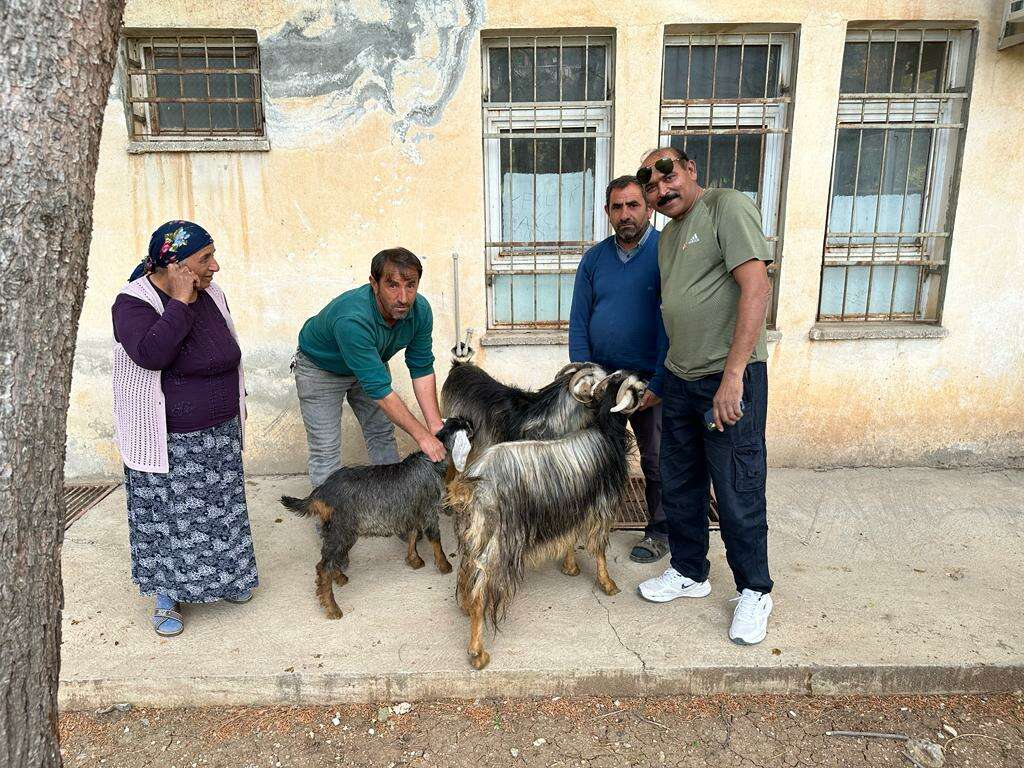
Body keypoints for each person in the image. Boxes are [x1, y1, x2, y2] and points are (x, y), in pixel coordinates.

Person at [634, 147, 775, 646]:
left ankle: (755, 590)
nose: (660, 187)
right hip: (681, 381)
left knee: (736, 490)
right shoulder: (668, 237)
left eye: (667, 173)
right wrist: (660, 385)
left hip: (726, 380)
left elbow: (756, 288)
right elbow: (676, 312)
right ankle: (691, 573)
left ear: (691, 170)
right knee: (680, 485)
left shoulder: (725, 206)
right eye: (649, 184)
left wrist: (734, 375)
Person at [112, 220, 259, 637]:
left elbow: (227, 351)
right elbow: (152, 354)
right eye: (205, 258)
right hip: (167, 439)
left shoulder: (212, 293)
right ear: (175, 265)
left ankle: (224, 579)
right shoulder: (132, 302)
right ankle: (166, 596)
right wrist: (178, 301)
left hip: (219, 431)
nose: (215, 267)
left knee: (220, 511)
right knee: (169, 520)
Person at [568, 175, 670, 564]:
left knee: (656, 459)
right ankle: (590, 525)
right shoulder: (594, 259)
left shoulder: (666, 252)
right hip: (601, 382)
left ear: (647, 207)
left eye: (633, 205)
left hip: (648, 381)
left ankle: (659, 530)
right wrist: (583, 374)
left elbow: (671, 322)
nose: (625, 214)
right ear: (607, 212)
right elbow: (579, 321)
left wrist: (659, 381)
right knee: (592, 456)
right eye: (617, 207)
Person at [293, 247, 445, 490]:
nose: (403, 297)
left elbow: (422, 367)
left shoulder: (420, 311)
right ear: (374, 284)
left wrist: (436, 426)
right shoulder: (352, 319)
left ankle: (390, 503)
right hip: (321, 370)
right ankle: (332, 521)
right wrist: (423, 437)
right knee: (326, 449)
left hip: (369, 363)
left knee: (381, 433)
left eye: (411, 285)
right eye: (392, 285)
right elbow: (380, 391)